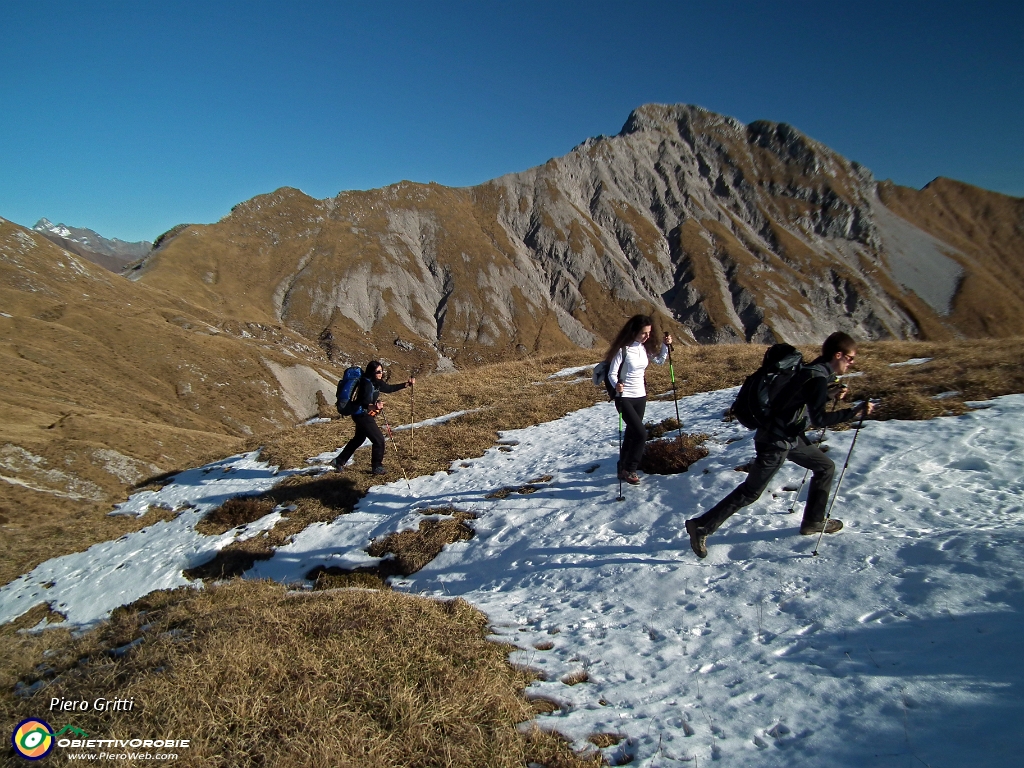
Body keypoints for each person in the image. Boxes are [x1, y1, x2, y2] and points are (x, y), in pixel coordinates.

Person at [684, 332, 874, 558]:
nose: (852, 363)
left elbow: (796, 402)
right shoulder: (818, 377)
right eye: (850, 358)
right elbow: (820, 419)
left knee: (825, 467)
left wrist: (828, 394)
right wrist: (854, 412)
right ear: (838, 354)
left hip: (788, 438)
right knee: (750, 492)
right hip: (776, 442)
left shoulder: (810, 371)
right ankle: (702, 526)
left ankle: (813, 521)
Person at [605, 315, 672, 485]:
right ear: (634, 332)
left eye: (649, 333)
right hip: (624, 398)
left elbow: (659, 361)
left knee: (632, 432)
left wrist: (665, 345)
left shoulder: (643, 349)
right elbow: (612, 373)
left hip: (641, 396)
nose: (647, 336)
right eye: (643, 333)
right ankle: (631, 469)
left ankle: (622, 466)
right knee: (641, 433)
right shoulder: (623, 350)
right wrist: (617, 386)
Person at [333, 362, 414, 475]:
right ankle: (377, 466)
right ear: (372, 372)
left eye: (381, 371)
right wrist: (374, 406)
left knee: (359, 439)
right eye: (378, 372)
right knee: (379, 440)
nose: (381, 374)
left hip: (362, 414)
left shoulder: (376, 382)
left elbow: (389, 388)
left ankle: (339, 461)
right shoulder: (366, 384)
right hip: (362, 415)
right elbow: (363, 401)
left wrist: (406, 384)